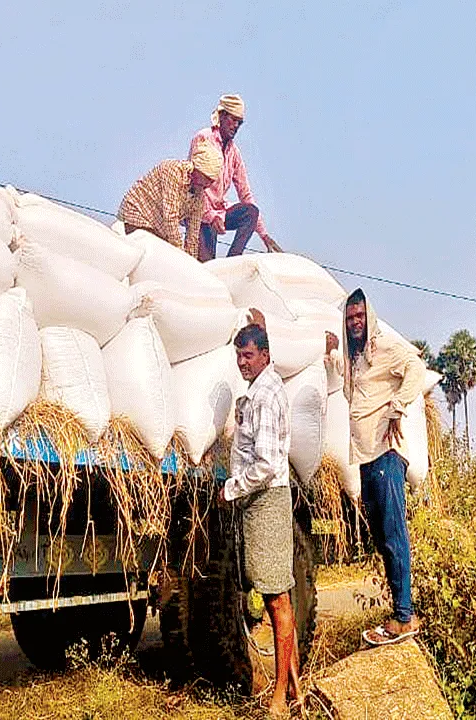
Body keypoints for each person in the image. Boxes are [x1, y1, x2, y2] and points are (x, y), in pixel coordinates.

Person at [327, 288, 426, 646]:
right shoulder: (356, 358)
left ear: (369, 317)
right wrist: (331, 356)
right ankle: (401, 613)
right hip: (367, 457)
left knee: (394, 534)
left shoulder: (383, 346)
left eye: (360, 317)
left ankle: (405, 616)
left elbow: (416, 367)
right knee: (383, 539)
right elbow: (356, 389)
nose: (355, 323)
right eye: (350, 317)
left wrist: (397, 405)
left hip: (386, 454)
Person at [222, 312, 300, 718]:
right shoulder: (257, 393)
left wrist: (231, 487)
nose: (242, 362)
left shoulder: (267, 395)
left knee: (276, 600)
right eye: (238, 355)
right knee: (276, 595)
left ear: (265, 355)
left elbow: (268, 463)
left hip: (266, 499)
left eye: (248, 355)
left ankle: (279, 700)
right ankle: (296, 689)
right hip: (260, 502)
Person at [190, 94, 282, 261]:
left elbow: (245, 194)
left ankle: (232, 263)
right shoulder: (204, 138)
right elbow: (195, 184)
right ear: (222, 116)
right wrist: (211, 216)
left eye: (239, 122)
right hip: (199, 212)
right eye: (233, 120)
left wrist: (264, 235)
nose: (236, 126)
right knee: (205, 267)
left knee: (251, 212)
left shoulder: (234, 153)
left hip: (219, 211)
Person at [118, 137, 223, 256]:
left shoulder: (199, 197)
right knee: (157, 257)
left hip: (159, 227)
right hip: (137, 214)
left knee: (167, 257)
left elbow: (192, 235)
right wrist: (180, 255)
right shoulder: (172, 171)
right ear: (197, 169)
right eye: (206, 178)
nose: (207, 185)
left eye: (211, 181)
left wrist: (190, 261)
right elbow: (170, 216)